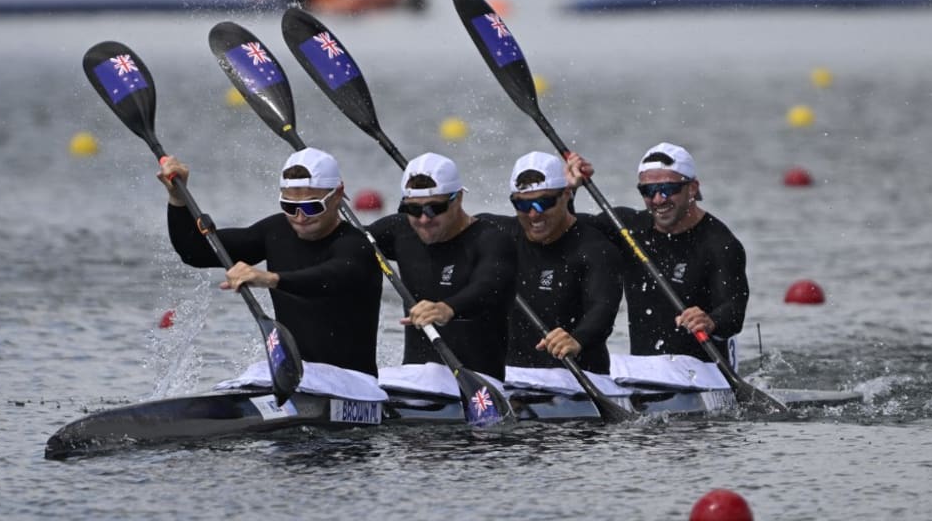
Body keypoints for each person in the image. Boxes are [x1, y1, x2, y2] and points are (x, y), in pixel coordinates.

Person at [158, 147, 382, 378]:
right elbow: (194, 252)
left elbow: (329, 278)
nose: (300, 217)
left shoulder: (356, 246)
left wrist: (270, 279)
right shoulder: (275, 231)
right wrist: (177, 198)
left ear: (337, 194)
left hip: (355, 385)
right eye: (289, 206)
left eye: (312, 206)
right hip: (298, 379)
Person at [565, 142, 749, 365]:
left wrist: (710, 321)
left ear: (692, 188)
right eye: (648, 191)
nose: (658, 199)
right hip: (646, 371)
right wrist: (568, 190)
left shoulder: (719, 243)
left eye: (668, 189)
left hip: (705, 371)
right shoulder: (627, 229)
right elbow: (568, 236)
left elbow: (734, 311)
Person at [368, 152, 515, 380]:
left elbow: (489, 286)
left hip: (477, 382)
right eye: (414, 209)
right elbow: (345, 247)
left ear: (458, 200)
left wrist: (448, 307)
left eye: (434, 208)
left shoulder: (491, 239)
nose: (424, 219)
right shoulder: (399, 231)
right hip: (415, 380)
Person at [482, 152, 623, 375]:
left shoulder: (595, 249)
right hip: (511, 378)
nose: (533, 214)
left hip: (575, 379)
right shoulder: (497, 235)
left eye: (543, 203)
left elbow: (603, 308)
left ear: (567, 194)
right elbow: (432, 224)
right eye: (522, 203)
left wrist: (578, 339)